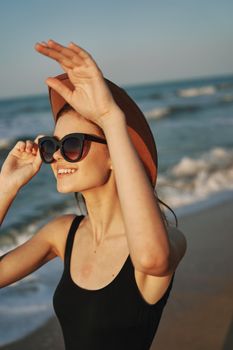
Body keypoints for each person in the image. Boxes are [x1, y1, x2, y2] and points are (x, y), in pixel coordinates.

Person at [0, 39, 187, 350]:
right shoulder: (61, 233)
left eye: (72, 144)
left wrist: (111, 119)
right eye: (51, 145)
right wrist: (6, 187)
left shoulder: (170, 240)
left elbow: (153, 259)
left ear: (115, 153)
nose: (57, 156)